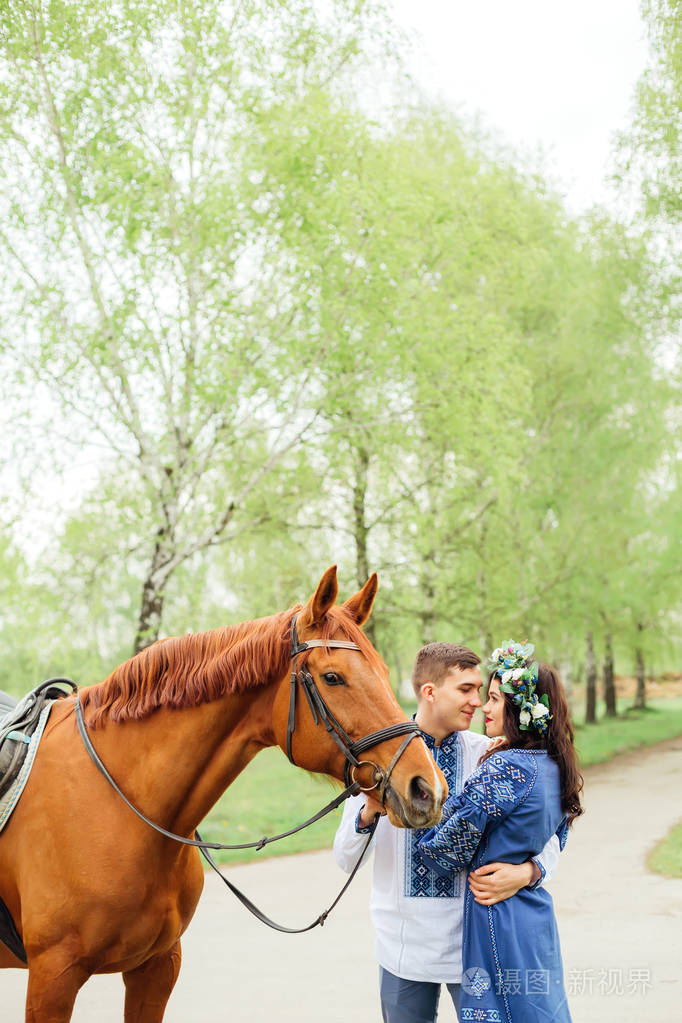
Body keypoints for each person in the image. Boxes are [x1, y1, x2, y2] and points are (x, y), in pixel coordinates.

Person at [333, 642, 560, 1023]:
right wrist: (369, 809)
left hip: (475, 948)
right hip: (401, 950)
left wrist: (528, 873)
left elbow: (549, 834)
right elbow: (345, 859)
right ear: (430, 692)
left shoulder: (491, 755)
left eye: (480, 691)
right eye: (466, 690)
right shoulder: (378, 759)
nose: (476, 702)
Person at [417, 641, 583, 1023]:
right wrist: (531, 872)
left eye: (493, 698)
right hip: (534, 915)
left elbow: (443, 853)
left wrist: (417, 803)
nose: (483, 708)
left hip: (498, 918)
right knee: (541, 1010)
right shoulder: (555, 765)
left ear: (522, 709)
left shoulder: (503, 768)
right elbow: (559, 836)